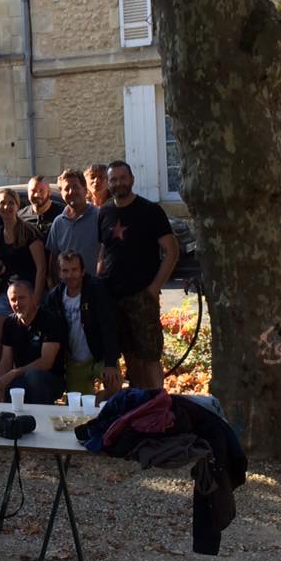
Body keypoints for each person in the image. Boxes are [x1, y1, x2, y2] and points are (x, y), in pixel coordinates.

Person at [98, 161, 179, 390]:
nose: (118, 183)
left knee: (150, 357)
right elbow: (103, 250)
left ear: (132, 180)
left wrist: (153, 289)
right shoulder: (104, 211)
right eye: (113, 179)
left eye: (123, 178)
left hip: (142, 297)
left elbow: (172, 251)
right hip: (114, 297)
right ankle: (140, 407)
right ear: (108, 183)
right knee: (130, 356)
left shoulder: (150, 211)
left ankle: (158, 407)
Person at [46, 250, 121, 399]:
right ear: (59, 273)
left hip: (99, 355)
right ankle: (92, 403)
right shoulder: (54, 297)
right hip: (74, 361)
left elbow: (109, 326)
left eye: (74, 270)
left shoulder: (97, 290)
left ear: (83, 271)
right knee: (78, 406)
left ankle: (98, 400)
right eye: (65, 271)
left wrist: (111, 363)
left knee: (114, 385)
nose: (70, 275)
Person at [0, 188, 46, 369]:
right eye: (2, 203)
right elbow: (2, 262)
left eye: (10, 203)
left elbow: (41, 267)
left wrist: (36, 297)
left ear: (17, 206)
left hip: (28, 291)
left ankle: (20, 381)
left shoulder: (29, 232)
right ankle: (3, 381)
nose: (6, 207)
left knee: (23, 342)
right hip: (8, 291)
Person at [0, 280, 65, 404]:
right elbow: (6, 360)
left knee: (34, 377)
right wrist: (2, 384)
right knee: (12, 389)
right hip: (21, 378)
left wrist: (14, 373)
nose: (17, 303)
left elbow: (46, 362)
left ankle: (43, 419)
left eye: (22, 298)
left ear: (33, 298)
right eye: (13, 299)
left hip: (50, 378)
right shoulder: (9, 323)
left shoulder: (50, 320)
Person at [46, 168, 101, 279]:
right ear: (61, 193)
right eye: (66, 189)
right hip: (68, 289)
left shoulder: (100, 216)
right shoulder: (58, 223)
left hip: (95, 289)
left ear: (85, 190)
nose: (71, 192)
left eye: (75, 187)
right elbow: (53, 259)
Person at [19, 175, 63, 239]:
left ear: (49, 192)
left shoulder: (62, 214)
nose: (37, 195)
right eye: (33, 191)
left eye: (41, 191)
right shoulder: (20, 216)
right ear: (28, 193)